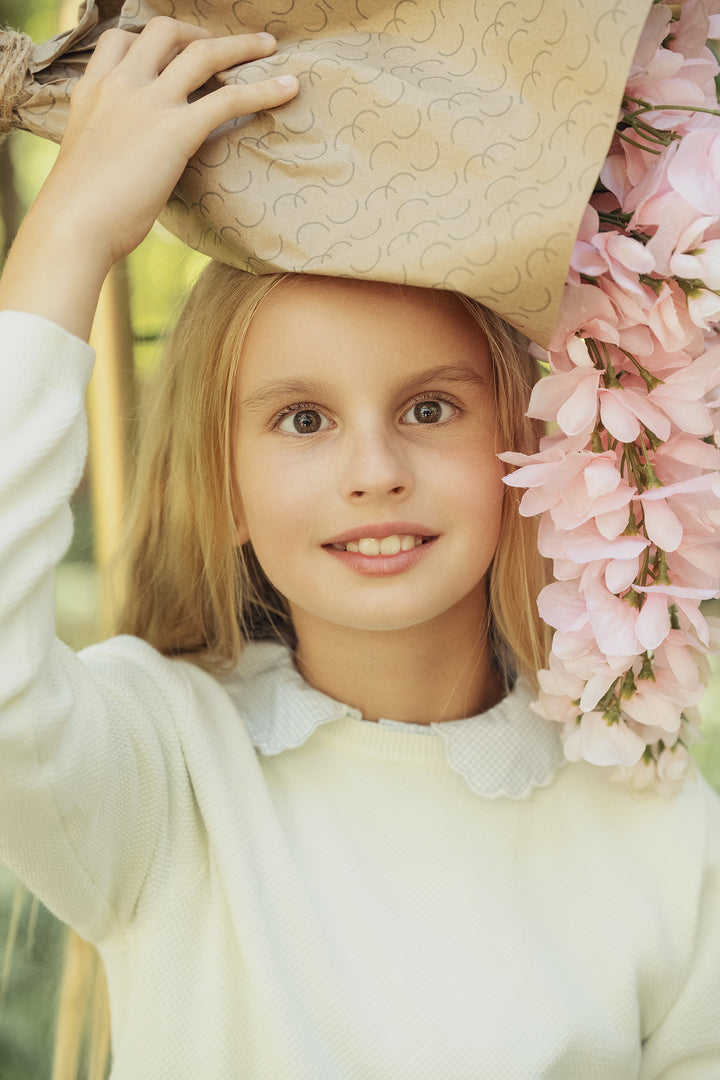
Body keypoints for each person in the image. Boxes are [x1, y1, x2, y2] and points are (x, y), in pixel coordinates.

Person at [0, 17, 719, 1080]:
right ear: (223, 482)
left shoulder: (649, 820)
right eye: (302, 420)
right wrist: (70, 235)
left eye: (431, 409)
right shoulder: (158, 774)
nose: (373, 469)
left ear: (526, 439)